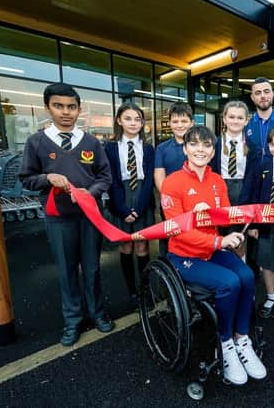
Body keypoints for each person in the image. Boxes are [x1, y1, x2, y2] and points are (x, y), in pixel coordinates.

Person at [161, 126, 267, 386]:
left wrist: (246, 219)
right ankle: (225, 343)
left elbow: (227, 214)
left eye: (207, 145)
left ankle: (242, 338)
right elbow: (178, 230)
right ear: (185, 149)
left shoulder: (217, 180)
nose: (201, 149)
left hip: (213, 249)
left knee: (247, 275)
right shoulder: (172, 182)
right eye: (194, 144)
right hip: (185, 255)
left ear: (212, 150)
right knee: (229, 283)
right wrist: (220, 240)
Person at [19, 82, 114, 346]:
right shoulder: (36, 142)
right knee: (67, 270)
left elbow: (105, 177)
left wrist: (89, 192)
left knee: (92, 267)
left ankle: (98, 314)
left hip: (90, 215)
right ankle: (72, 321)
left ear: (79, 109)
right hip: (58, 217)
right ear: (47, 107)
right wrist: (47, 177)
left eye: (71, 107)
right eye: (58, 106)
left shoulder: (92, 142)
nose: (65, 112)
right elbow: (26, 179)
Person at [104, 103, 154, 308]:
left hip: (142, 196)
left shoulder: (149, 148)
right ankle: (132, 291)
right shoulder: (110, 147)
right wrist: (123, 210)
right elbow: (111, 179)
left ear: (142, 123)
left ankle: (145, 289)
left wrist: (140, 208)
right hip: (120, 197)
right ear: (119, 121)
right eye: (128, 118)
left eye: (137, 119)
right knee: (126, 244)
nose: (133, 123)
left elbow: (150, 179)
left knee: (142, 244)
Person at [243, 125, 274, 319]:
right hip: (263, 221)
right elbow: (254, 195)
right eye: (272, 144)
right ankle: (270, 295)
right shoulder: (262, 165)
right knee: (265, 262)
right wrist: (253, 224)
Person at [211, 100, 250, 260]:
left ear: (246, 120)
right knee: (219, 234)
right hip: (220, 191)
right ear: (224, 119)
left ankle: (241, 268)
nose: (235, 121)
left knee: (240, 237)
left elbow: (253, 178)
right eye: (231, 117)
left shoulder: (252, 146)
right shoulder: (214, 144)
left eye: (240, 118)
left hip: (242, 193)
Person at [154, 102, 194, 256]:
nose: (180, 125)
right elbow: (159, 174)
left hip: (194, 202)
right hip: (170, 203)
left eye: (184, 121)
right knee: (169, 238)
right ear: (169, 123)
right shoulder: (162, 148)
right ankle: (168, 271)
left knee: (192, 238)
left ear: (191, 122)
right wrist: (168, 197)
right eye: (175, 121)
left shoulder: (198, 145)